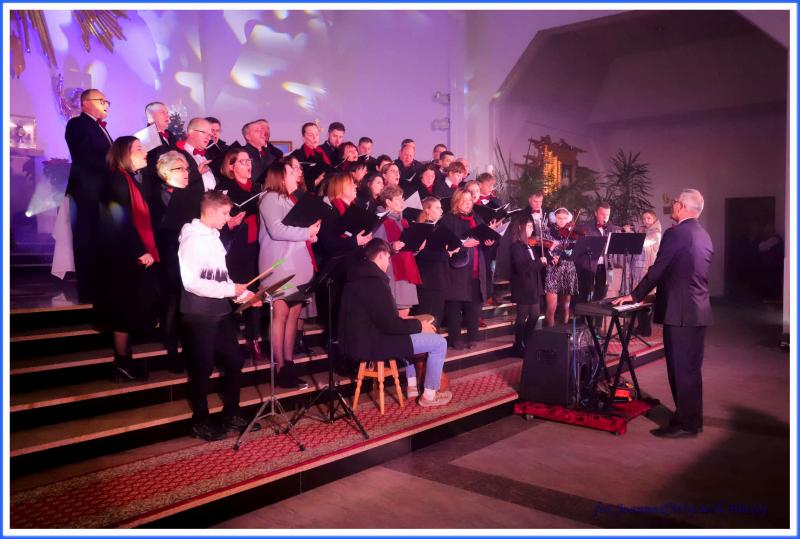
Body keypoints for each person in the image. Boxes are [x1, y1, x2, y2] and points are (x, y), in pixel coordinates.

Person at [613, 189, 713, 438]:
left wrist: (635, 295)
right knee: (691, 370)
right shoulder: (704, 234)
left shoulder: (675, 233)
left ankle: (685, 424)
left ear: (683, 206)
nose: (673, 206)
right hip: (698, 310)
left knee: (679, 369)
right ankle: (692, 419)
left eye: (676, 202)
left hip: (679, 312)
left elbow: (658, 269)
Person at [178, 190, 258, 441]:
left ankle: (231, 413)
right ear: (210, 211)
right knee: (202, 368)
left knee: (234, 360)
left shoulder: (214, 237)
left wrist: (243, 296)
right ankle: (199, 421)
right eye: (224, 213)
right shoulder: (192, 239)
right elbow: (192, 283)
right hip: (199, 313)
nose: (228, 218)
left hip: (220, 311)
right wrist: (229, 290)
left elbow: (220, 277)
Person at [339, 238, 453, 407]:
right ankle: (429, 396)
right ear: (381, 254)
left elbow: (377, 317)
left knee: (410, 332)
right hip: (373, 344)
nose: (389, 263)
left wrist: (407, 321)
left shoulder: (357, 278)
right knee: (439, 343)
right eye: (388, 257)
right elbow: (390, 326)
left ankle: (412, 387)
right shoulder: (374, 282)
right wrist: (419, 326)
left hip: (358, 341)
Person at [94, 135, 160, 381]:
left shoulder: (128, 179)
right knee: (123, 309)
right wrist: (139, 250)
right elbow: (119, 219)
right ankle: (122, 362)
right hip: (122, 256)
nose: (146, 152)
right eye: (140, 148)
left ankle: (125, 359)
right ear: (124, 153)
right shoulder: (116, 179)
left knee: (129, 308)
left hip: (127, 253)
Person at [259, 158, 321, 389]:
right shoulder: (270, 197)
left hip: (297, 266)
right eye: (291, 171)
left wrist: (311, 233)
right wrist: (306, 232)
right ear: (279, 176)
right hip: (280, 266)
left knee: (293, 316)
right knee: (281, 315)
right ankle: (280, 367)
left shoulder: (291, 198)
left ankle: (289, 362)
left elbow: (296, 229)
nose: (297, 174)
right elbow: (277, 230)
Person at [150, 150, 202, 373]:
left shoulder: (192, 194)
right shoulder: (157, 194)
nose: (186, 173)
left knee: (188, 301)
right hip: (169, 253)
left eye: (187, 169)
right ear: (165, 171)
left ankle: (189, 347)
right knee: (171, 301)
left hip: (190, 254)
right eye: (180, 169)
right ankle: (171, 349)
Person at [64, 88, 113, 303]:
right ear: (85, 103)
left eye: (107, 101)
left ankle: (101, 288)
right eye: (101, 100)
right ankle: (88, 291)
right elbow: (84, 155)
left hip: (103, 192)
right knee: (85, 240)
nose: (106, 104)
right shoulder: (77, 124)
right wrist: (113, 163)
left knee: (101, 240)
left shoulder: (101, 127)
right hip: (86, 191)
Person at [217, 148, 263, 364]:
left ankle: (254, 340)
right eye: (242, 161)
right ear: (231, 166)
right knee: (236, 293)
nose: (248, 165)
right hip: (235, 248)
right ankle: (231, 343)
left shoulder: (258, 189)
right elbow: (217, 223)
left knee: (255, 293)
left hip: (256, 246)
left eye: (249, 160)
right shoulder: (224, 191)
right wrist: (230, 224)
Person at [441, 188, 495, 349]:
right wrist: (464, 243)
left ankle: (473, 337)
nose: (467, 203)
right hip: (457, 269)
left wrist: (489, 242)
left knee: (474, 307)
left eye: (469, 200)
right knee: (455, 306)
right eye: (463, 200)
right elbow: (445, 242)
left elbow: (483, 242)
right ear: (456, 202)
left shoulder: (477, 218)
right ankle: (455, 338)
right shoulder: (449, 219)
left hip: (477, 268)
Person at [373, 185, 422, 313]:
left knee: (404, 311)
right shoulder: (381, 221)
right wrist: (392, 246)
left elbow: (407, 248)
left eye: (402, 198)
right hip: (391, 272)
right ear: (388, 202)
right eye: (398, 199)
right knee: (393, 312)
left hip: (405, 270)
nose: (402, 202)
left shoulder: (403, 222)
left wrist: (417, 246)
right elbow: (375, 248)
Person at [413, 196, 458, 327]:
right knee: (426, 316)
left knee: (437, 316)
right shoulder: (420, 228)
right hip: (427, 279)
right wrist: (447, 253)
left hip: (440, 277)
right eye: (437, 208)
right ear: (427, 210)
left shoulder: (439, 227)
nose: (441, 211)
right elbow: (423, 254)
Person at [509, 219, 547, 355]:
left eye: (532, 226)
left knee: (535, 315)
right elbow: (521, 267)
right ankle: (518, 344)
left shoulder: (529, 246)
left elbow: (536, 264)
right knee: (522, 317)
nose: (532, 229)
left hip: (534, 286)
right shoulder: (516, 246)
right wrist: (539, 262)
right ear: (521, 227)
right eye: (529, 226)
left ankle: (526, 339)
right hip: (523, 286)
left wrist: (547, 261)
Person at [575, 201, 620, 303]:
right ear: (596, 213)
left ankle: (598, 313)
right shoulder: (586, 227)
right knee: (585, 294)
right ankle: (584, 313)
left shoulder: (611, 228)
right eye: (602, 214)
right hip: (589, 265)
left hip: (607, 265)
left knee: (602, 293)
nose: (605, 217)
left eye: (607, 215)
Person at [544, 209, 580, 327]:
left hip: (568, 268)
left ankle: (564, 329)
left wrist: (570, 247)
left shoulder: (572, 233)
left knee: (566, 305)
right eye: (559, 218)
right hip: (553, 268)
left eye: (564, 218)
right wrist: (551, 256)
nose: (562, 221)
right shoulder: (548, 231)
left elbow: (574, 252)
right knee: (551, 306)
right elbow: (545, 250)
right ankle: (550, 330)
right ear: (554, 218)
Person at [629, 210, 662, 336]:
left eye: (648, 218)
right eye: (643, 219)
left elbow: (643, 243)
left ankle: (646, 328)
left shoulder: (656, 232)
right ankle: (641, 326)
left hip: (648, 269)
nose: (645, 221)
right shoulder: (644, 230)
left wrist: (630, 234)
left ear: (654, 219)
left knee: (647, 298)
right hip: (640, 269)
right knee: (639, 298)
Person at [290, 122, 332, 194]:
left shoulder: (323, 152)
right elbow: (293, 184)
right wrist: (318, 180)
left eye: (317, 134)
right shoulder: (296, 156)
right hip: (305, 196)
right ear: (303, 138)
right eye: (311, 135)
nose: (315, 138)